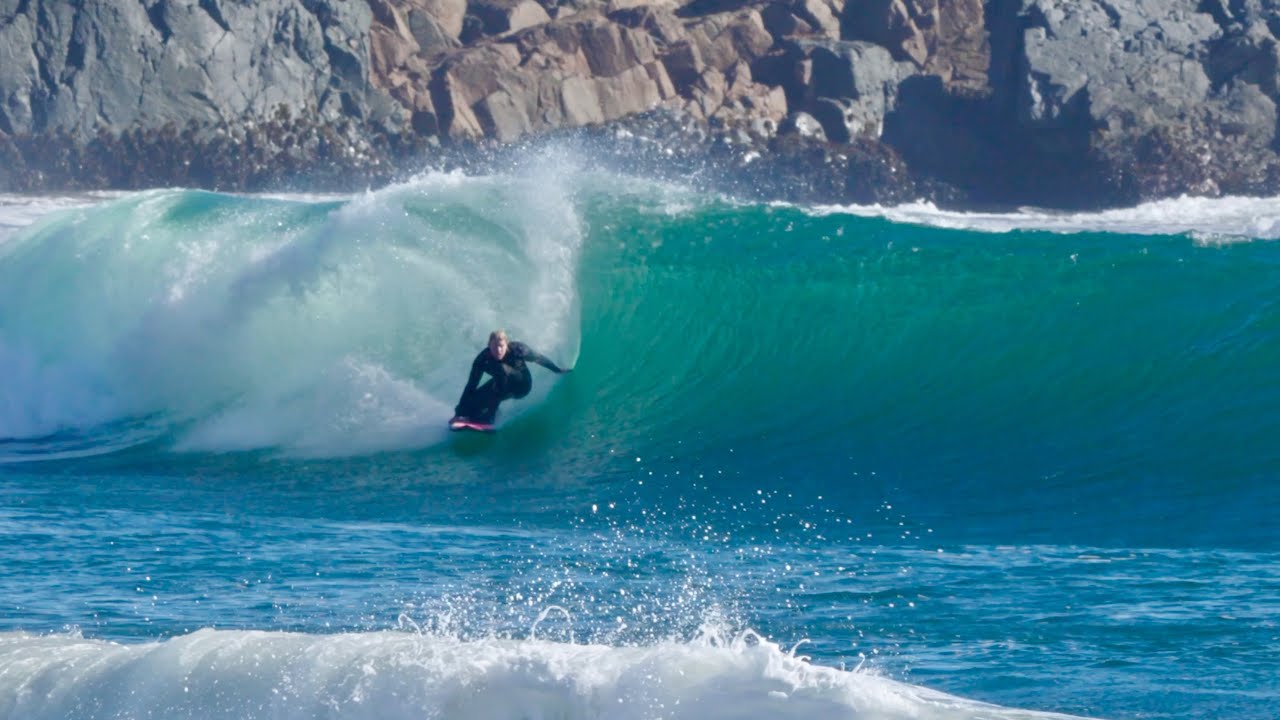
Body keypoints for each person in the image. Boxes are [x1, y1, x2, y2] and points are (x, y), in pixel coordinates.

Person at [453, 330, 570, 424]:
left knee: (500, 369)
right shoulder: (482, 359)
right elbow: (471, 385)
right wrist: (459, 412)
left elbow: (539, 359)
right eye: (494, 347)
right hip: (501, 384)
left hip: (521, 385)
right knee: (468, 407)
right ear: (488, 345)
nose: (498, 350)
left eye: (501, 346)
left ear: (506, 344)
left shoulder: (518, 350)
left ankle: (490, 417)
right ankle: (473, 414)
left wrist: (557, 370)